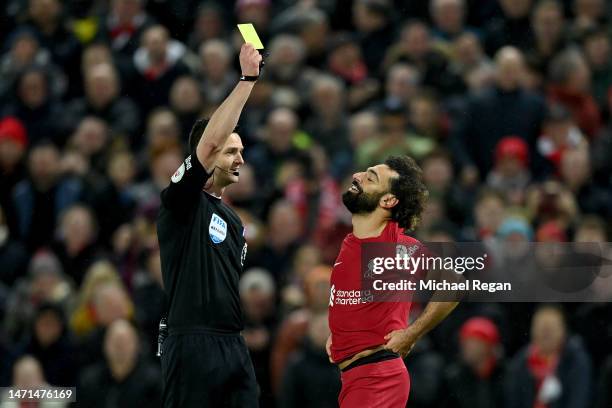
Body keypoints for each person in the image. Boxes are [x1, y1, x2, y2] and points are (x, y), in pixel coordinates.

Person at [156, 43, 262, 408]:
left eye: (242, 151)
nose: (240, 159)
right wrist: (247, 80)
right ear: (208, 153)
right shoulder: (180, 201)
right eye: (232, 151)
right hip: (191, 344)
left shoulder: (234, 221)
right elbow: (212, 139)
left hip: (233, 343)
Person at [327, 155, 458, 407]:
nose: (357, 176)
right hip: (357, 376)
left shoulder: (395, 247)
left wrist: (412, 334)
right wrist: (339, 333)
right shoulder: (353, 241)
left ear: (388, 200)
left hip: (377, 377)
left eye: (370, 177)